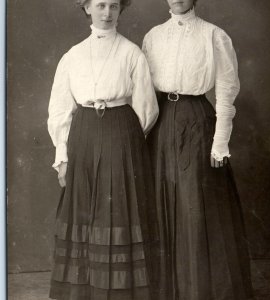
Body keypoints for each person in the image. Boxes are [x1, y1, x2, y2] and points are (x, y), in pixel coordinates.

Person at [142, 0, 254, 299]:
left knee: (195, 206)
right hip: (160, 123)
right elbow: (143, 92)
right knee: (161, 200)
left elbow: (226, 91)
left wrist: (220, 144)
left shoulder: (214, 35)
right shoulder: (152, 36)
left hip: (197, 123)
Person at [47, 0, 159, 299]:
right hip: (82, 134)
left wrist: (126, 142)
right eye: (100, 5)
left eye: (113, 5)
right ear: (86, 8)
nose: (107, 13)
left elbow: (146, 108)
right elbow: (59, 109)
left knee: (117, 209)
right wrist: (63, 155)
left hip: (121, 132)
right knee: (84, 208)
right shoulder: (72, 56)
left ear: (121, 9)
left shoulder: (131, 52)